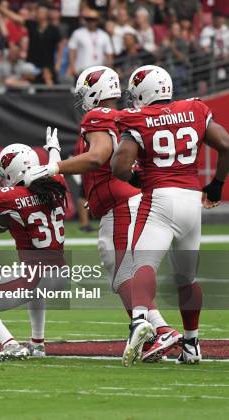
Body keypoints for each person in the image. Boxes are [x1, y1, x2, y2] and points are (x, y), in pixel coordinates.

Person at [24, 66, 180, 363]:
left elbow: (98, 155)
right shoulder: (123, 117)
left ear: (96, 92)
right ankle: (156, 332)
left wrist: (52, 166)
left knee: (122, 272)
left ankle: (157, 331)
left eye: (85, 92)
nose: (83, 98)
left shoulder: (97, 116)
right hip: (135, 202)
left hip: (124, 205)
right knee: (126, 270)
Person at [111, 65, 229, 365]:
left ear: (142, 92)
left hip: (160, 198)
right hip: (192, 201)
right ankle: (192, 345)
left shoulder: (137, 118)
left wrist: (137, 179)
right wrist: (215, 186)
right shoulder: (195, 109)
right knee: (186, 277)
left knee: (142, 262)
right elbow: (226, 145)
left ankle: (139, 320)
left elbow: (119, 166)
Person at [0, 134, 67, 361]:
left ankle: (9, 344)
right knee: (35, 292)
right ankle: (37, 343)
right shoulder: (56, 186)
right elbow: (54, 169)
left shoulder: (7, 198)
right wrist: (53, 149)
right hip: (61, 272)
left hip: (36, 274)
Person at [67, 9, 113, 77]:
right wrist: (72, 67)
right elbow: (72, 51)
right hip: (81, 71)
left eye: (93, 20)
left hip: (99, 73)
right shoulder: (77, 33)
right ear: (85, 20)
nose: (91, 22)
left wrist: (108, 71)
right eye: (89, 19)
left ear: (97, 21)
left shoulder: (104, 35)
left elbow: (109, 54)